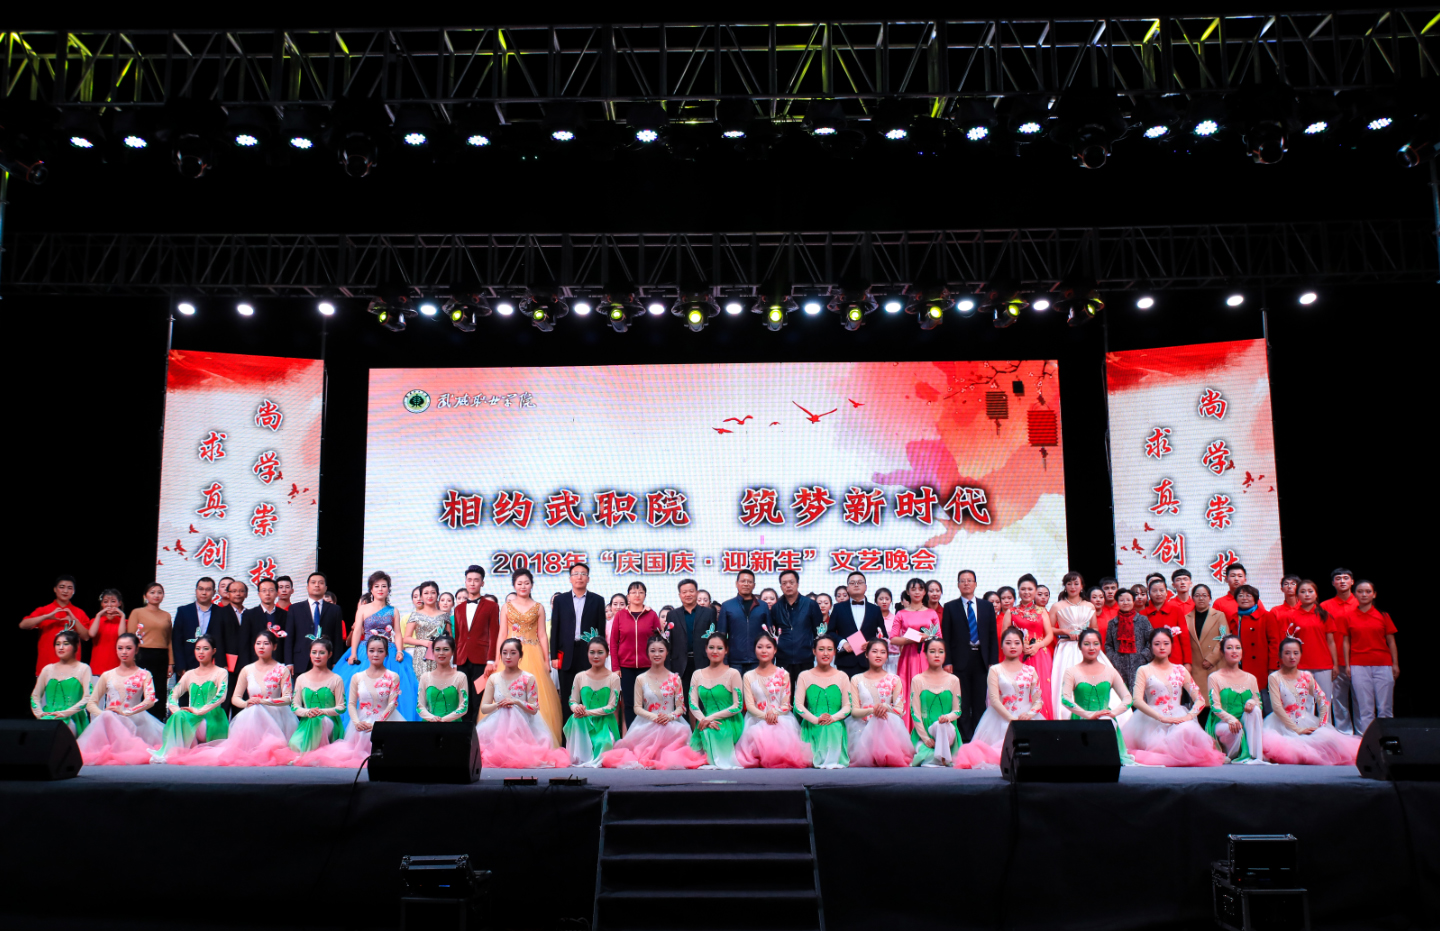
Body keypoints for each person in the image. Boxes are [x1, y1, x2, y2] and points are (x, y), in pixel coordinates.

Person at [171, 630, 298, 765]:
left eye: (266, 644)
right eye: (258, 643)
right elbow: (235, 698)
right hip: (252, 714)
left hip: (276, 715)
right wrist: (247, 703)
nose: (261, 647)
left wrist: (264, 701)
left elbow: (287, 698)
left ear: (274, 646)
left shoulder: (282, 670)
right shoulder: (247, 669)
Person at [1122, 628, 1225, 766]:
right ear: (1151, 646)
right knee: (1159, 747)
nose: (1162, 647)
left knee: (1186, 729)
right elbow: (1137, 700)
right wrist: (1161, 718)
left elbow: (1200, 699)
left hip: (1178, 717)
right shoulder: (1144, 670)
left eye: (1166, 643)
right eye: (1157, 644)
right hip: (1152, 719)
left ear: (1171, 645)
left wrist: (1188, 717)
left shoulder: (1180, 670)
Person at [602, 636, 707, 770]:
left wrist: (669, 717)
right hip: (647, 723)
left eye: (661, 651)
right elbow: (637, 708)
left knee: (679, 736)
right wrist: (654, 717)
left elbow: (681, 707)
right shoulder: (641, 679)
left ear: (667, 652)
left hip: (671, 723)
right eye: (653, 651)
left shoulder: (675, 678)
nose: (657, 654)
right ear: (647, 653)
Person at [1264, 638, 1362, 765]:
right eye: (1287, 653)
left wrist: (1322, 724)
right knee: (1290, 747)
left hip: (1305, 719)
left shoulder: (1306, 676)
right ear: (1280, 655)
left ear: (1301, 654)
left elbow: (1322, 699)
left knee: (1329, 741)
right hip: (1280, 722)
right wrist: (1296, 729)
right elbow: (1277, 707)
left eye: (1296, 653)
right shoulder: (1274, 677)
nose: (1292, 657)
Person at [475, 638, 571, 768]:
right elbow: (484, 708)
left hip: (524, 726)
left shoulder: (528, 678)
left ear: (520, 655)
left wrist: (516, 702)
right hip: (497, 726)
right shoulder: (494, 678)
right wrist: (498, 705)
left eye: (513, 653)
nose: (508, 656)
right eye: (504, 653)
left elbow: (534, 708)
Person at [958, 628, 1042, 768]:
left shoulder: (1030, 670)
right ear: (1002, 646)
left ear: (1023, 646)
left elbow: (1038, 700)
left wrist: (1029, 715)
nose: (1013, 646)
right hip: (1001, 717)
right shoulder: (995, 670)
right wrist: (1012, 719)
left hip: (1027, 717)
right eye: (1008, 643)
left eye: (1017, 643)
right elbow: (994, 700)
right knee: (997, 752)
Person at [76, 633, 162, 765]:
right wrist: (104, 715)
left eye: (128, 648)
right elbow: (91, 702)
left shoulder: (144, 674)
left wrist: (125, 712)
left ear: (136, 650)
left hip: (136, 720)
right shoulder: (107, 675)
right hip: (111, 720)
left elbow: (150, 700)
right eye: (120, 648)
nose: (124, 652)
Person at [734, 631, 812, 768]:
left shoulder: (783, 674)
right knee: (758, 732)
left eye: (768, 647)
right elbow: (750, 706)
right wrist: (765, 716)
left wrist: (774, 714)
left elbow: (786, 704)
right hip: (757, 718)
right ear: (754, 649)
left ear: (775, 650)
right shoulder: (748, 676)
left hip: (780, 718)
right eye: (760, 647)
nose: (764, 651)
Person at [1060, 629, 1136, 765]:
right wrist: (1088, 715)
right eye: (1086, 644)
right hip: (1080, 720)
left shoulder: (1110, 671)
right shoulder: (1071, 672)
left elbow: (1128, 698)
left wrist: (1113, 713)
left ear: (1100, 646)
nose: (1091, 648)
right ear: (1079, 646)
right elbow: (1065, 699)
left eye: (1095, 644)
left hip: (1105, 721)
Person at [940, 570, 1000, 741]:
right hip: (959, 661)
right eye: (962, 581)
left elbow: (992, 636)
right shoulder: (950, 607)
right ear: (958, 585)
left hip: (982, 659)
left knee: (980, 701)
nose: (966, 583)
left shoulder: (986, 606)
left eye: (969, 580)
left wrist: (993, 661)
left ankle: (980, 738)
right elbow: (946, 637)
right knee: (963, 702)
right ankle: (965, 739)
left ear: (975, 584)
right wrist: (947, 661)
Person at [1272, 580, 1342, 721]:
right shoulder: (1292, 616)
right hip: (1301, 666)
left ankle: (1326, 730)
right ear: (1298, 595)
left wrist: (1335, 664)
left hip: (1323, 664)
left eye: (1310, 591)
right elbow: (1287, 642)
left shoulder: (1324, 615)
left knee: (1324, 701)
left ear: (1316, 594)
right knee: (1304, 703)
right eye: (1303, 592)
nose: (1307, 594)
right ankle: (1306, 730)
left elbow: (1331, 642)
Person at [152, 634, 229, 761]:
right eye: (198, 648)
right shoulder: (189, 674)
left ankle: (176, 753)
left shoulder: (221, 672)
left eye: (205, 648)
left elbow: (221, 696)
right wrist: (177, 711)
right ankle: (179, 753)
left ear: (214, 651)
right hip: (192, 719)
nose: (201, 652)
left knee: (183, 718)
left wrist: (199, 711)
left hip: (212, 719)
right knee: (180, 716)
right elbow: (173, 694)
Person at [550, 562, 609, 723]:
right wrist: (554, 656)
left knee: (588, 695)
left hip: (589, 654)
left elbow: (601, 630)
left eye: (583, 574)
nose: (579, 577)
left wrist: (600, 654)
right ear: (570, 578)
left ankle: (589, 733)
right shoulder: (560, 600)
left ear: (588, 578)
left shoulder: (597, 600)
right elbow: (555, 629)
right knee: (568, 696)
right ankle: (568, 734)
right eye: (575, 574)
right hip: (566, 654)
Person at [1048, 571, 1108, 717]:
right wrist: (1065, 631)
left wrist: (1086, 635)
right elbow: (1049, 629)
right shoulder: (1057, 606)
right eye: (1069, 584)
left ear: (1082, 586)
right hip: (1066, 648)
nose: (1073, 587)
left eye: (1076, 583)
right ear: (1065, 586)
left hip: (1087, 647)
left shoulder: (1089, 605)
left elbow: (1095, 628)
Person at [846, 640, 913, 767]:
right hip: (862, 728)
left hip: (887, 728)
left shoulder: (894, 679)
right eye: (874, 651)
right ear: (866, 654)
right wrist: (873, 710)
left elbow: (900, 710)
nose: (878, 655)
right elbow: (854, 711)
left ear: (887, 655)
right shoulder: (856, 679)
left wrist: (885, 707)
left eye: (883, 652)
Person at [1344, 581, 1399, 735]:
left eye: (1368, 591)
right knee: (1365, 708)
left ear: (1374, 595)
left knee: (1385, 707)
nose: (1364, 594)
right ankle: (1368, 741)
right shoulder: (1349, 616)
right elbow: (1346, 642)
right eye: (1360, 591)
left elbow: (1391, 641)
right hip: (1358, 665)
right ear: (1355, 594)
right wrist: (1347, 665)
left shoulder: (1383, 616)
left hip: (1383, 664)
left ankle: (1387, 739)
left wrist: (1395, 664)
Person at [1204, 635, 1266, 764]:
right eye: (1229, 648)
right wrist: (1230, 719)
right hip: (1223, 722)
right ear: (1222, 652)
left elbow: (1258, 702)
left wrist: (1252, 702)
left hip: (1244, 721)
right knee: (1235, 729)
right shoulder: (1215, 677)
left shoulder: (1251, 678)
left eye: (1238, 647)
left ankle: (1254, 755)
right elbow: (1215, 706)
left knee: (1255, 710)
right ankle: (1231, 754)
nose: (1234, 651)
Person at [688, 631, 745, 770]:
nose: (715, 651)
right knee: (694, 749)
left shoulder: (733, 673)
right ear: (706, 649)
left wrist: (710, 718)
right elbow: (692, 703)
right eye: (711, 647)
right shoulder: (697, 674)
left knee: (712, 731)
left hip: (729, 720)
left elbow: (738, 706)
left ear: (726, 650)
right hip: (704, 720)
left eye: (719, 648)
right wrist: (703, 719)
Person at [792, 633, 851, 768]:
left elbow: (848, 706)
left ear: (835, 652)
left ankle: (833, 757)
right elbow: (798, 705)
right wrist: (815, 719)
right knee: (821, 727)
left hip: (835, 722)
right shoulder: (804, 676)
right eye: (821, 649)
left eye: (830, 649)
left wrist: (833, 718)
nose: (825, 653)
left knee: (832, 726)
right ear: (814, 651)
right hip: (812, 723)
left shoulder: (842, 676)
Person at [562, 636, 622, 767]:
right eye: (592, 652)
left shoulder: (614, 678)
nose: (596, 656)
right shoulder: (580, 677)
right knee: (574, 718)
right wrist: (577, 708)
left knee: (603, 743)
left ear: (607, 654)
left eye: (600, 652)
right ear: (587, 654)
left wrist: (587, 712)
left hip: (605, 722)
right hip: (583, 722)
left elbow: (612, 707)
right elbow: (572, 700)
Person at [890, 578, 940, 730]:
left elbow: (939, 637)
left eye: (920, 589)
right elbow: (893, 638)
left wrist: (928, 639)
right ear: (908, 592)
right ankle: (908, 729)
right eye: (913, 589)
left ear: (925, 592)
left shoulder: (931, 613)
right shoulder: (901, 614)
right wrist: (912, 639)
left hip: (927, 656)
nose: (917, 592)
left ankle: (929, 729)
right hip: (908, 657)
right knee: (908, 690)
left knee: (928, 689)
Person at [610, 580, 662, 727]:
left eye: (640, 592)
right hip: (626, 667)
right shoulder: (620, 615)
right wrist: (616, 667)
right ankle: (633, 733)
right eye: (633, 592)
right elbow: (613, 642)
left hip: (648, 667)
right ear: (628, 596)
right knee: (629, 703)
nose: (637, 595)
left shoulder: (652, 615)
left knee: (649, 702)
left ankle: (648, 733)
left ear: (645, 595)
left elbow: (659, 642)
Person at [453, 565, 501, 722]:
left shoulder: (492, 606)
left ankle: (478, 731)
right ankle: (465, 732)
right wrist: (454, 662)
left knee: (478, 697)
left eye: (476, 580)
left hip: (482, 660)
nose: (472, 583)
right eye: (469, 580)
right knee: (463, 697)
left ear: (482, 583)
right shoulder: (458, 608)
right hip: (462, 660)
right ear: (465, 582)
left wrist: (491, 660)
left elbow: (494, 634)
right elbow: (458, 637)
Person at [904, 639, 962, 767]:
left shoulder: (954, 680)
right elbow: (915, 713)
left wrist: (947, 717)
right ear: (925, 654)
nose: (937, 655)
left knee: (940, 725)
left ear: (945, 655)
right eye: (932, 651)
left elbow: (957, 711)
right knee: (923, 755)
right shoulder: (917, 680)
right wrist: (925, 738)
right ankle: (942, 757)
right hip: (924, 732)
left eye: (941, 652)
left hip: (947, 731)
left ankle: (943, 755)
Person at [288, 639, 348, 758]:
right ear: (309, 654)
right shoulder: (301, 679)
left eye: (322, 652)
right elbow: (294, 706)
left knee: (318, 720)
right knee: (294, 744)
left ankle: (309, 755)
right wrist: (308, 712)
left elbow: (342, 707)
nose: (317, 656)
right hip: (307, 722)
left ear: (329, 654)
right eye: (314, 652)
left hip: (329, 722)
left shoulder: (336, 679)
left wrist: (322, 712)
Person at [21, 575, 91, 677]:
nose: (65, 591)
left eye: (69, 588)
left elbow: (86, 637)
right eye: (61, 587)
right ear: (55, 589)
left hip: (72, 670)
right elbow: (23, 625)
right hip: (46, 667)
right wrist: (45, 617)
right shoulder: (44, 610)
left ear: (74, 591)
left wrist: (74, 621)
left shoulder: (79, 613)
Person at [1319, 568, 1360, 734]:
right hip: (1335, 661)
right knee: (1338, 700)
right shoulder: (1324, 606)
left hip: (1360, 660)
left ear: (1352, 581)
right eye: (1338, 578)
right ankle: (1344, 733)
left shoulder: (1361, 603)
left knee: (1361, 701)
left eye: (1346, 578)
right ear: (1332, 583)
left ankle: (1364, 734)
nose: (1342, 581)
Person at [30, 630, 92, 736]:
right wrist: (40, 713)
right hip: (49, 716)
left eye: (66, 644)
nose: (61, 647)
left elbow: (88, 697)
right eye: (57, 644)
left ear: (76, 646)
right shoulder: (48, 669)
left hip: (73, 716)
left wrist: (65, 713)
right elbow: (35, 696)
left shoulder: (83, 668)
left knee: (61, 732)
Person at [772, 571, 822, 701]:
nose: (788, 585)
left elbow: (819, 632)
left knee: (806, 696)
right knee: (785, 696)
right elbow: (773, 634)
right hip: (783, 658)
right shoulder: (776, 607)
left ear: (797, 584)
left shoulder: (810, 604)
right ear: (781, 586)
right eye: (784, 583)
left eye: (791, 582)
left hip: (805, 657)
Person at [1009, 575, 1055, 719]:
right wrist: (1019, 645)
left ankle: (1044, 723)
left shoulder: (1042, 611)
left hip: (1040, 655)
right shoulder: (1011, 612)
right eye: (1023, 589)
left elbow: (1049, 635)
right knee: (1020, 688)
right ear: (1018, 591)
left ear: (1035, 591)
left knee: (1041, 688)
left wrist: (1037, 646)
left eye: (1030, 589)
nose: (1026, 592)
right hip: (1018, 655)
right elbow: (1005, 635)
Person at [668, 578, 717, 707]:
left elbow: (714, 639)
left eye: (691, 591)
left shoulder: (708, 613)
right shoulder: (672, 615)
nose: (688, 594)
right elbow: (669, 643)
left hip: (703, 662)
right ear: (679, 595)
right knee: (682, 701)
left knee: (703, 701)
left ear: (696, 592)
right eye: (684, 592)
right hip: (680, 664)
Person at [287, 573, 345, 675]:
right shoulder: (295, 609)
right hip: (300, 660)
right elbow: (289, 637)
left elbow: (337, 638)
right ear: (307, 587)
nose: (317, 585)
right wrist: (289, 662)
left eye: (321, 583)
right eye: (313, 582)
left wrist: (336, 662)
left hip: (326, 660)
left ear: (325, 588)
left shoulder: (335, 610)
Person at [129, 582, 173, 715]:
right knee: (141, 688)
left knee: (159, 689)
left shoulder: (166, 615)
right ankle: (138, 718)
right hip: (142, 654)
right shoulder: (137, 612)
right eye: (152, 592)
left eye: (159, 592)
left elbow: (169, 640)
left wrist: (171, 663)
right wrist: (131, 657)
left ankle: (158, 720)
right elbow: (130, 638)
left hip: (161, 656)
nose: (156, 595)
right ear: (145, 596)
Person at [831, 572, 885, 678]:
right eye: (852, 583)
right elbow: (830, 632)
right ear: (847, 588)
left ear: (866, 587)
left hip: (869, 660)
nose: (856, 585)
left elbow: (883, 634)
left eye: (860, 582)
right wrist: (843, 643)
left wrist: (872, 643)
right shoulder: (838, 608)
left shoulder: (875, 609)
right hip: (846, 660)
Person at [717, 570, 771, 675]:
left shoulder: (763, 606)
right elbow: (721, 636)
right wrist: (724, 660)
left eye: (749, 581)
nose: (746, 584)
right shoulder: (727, 606)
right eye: (743, 581)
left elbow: (769, 634)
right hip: (735, 661)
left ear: (754, 585)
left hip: (758, 660)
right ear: (737, 584)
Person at [1187, 585, 1227, 708]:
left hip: (1215, 663)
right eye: (1197, 595)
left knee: (1216, 702)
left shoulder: (1219, 615)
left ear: (1210, 598)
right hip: (1196, 665)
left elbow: (1224, 638)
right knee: (1199, 703)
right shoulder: (1187, 618)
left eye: (1205, 595)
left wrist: (1212, 658)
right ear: (1192, 598)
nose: (1201, 598)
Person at [1105, 590, 1153, 693]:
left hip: (1140, 664)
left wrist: (1143, 656)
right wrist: (1113, 658)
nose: (1125, 603)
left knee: (1140, 693)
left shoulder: (1143, 620)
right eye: (1122, 600)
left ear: (1133, 601)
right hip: (1119, 665)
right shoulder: (1113, 623)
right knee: (1121, 693)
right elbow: (1108, 645)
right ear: (1117, 602)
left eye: (1128, 600)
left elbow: (1151, 641)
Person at [416, 635, 470, 723]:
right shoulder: (425, 677)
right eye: (437, 649)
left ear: (453, 652)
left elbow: (463, 706)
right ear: (433, 652)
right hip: (429, 725)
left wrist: (444, 720)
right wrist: (432, 718)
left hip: (453, 726)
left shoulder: (460, 677)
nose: (441, 653)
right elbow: (420, 706)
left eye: (446, 649)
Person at [402, 581, 449, 681]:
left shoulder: (444, 616)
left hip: (440, 654)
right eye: (426, 593)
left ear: (437, 594)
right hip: (421, 655)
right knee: (422, 684)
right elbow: (406, 638)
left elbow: (450, 638)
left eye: (433, 592)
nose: (430, 596)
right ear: (421, 596)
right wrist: (424, 642)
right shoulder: (415, 615)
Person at [238, 578, 288, 671]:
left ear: (277, 593)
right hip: (255, 663)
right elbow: (244, 643)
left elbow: (287, 642)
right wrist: (246, 666)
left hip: (279, 663)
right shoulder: (249, 614)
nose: (267, 593)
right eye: (264, 590)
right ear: (259, 594)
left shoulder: (285, 615)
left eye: (271, 590)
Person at [1145, 578, 1193, 674]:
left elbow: (1184, 638)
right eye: (1154, 591)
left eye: (1162, 590)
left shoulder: (1176, 610)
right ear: (1149, 593)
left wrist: (1187, 662)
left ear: (1167, 592)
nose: (1158, 594)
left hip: (1175, 658)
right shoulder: (1143, 614)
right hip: (1151, 660)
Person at [86, 588, 127, 677]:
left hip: (117, 668)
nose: (109, 605)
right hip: (97, 668)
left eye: (113, 601)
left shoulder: (124, 622)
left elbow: (122, 637)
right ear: (101, 604)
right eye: (105, 602)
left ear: (119, 603)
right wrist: (98, 615)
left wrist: (123, 616)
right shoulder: (95, 620)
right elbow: (91, 634)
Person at [874, 587, 899, 674]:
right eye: (881, 599)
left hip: (893, 657)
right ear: (876, 601)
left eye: (887, 599)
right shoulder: (871, 619)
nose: (884, 602)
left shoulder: (896, 619)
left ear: (891, 601)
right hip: (875, 657)